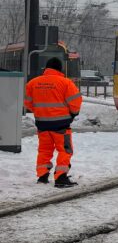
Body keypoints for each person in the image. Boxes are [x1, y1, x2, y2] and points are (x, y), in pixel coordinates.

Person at [24, 57, 82, 187]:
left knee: (44, 150)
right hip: (61, 125)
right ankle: (61, 177)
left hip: (42, 124)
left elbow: (28, 103)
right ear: (60, 68)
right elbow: (75, 102)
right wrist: (72, 114)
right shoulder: (65, 83)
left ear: (46, 68)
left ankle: (42, 176)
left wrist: (41, 113)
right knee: (64, 150)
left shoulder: (33, 83)